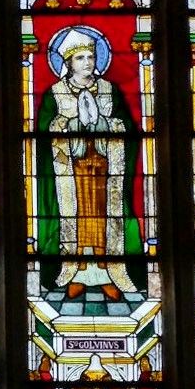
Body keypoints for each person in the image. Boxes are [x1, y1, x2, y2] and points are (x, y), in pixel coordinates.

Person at [37, 26, 142, 300]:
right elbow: (43, 132)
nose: (88, 63)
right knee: (78, 221)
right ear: (68, 63)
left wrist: (107, 125)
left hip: (106, 171)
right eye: (81, 58)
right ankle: (77, 273)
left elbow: (129, 129)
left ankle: (109, 273)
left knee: (106, 220)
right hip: (72, 172)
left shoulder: (110, 90)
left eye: (91, 57)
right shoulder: (56, 93)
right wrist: (70, 126)